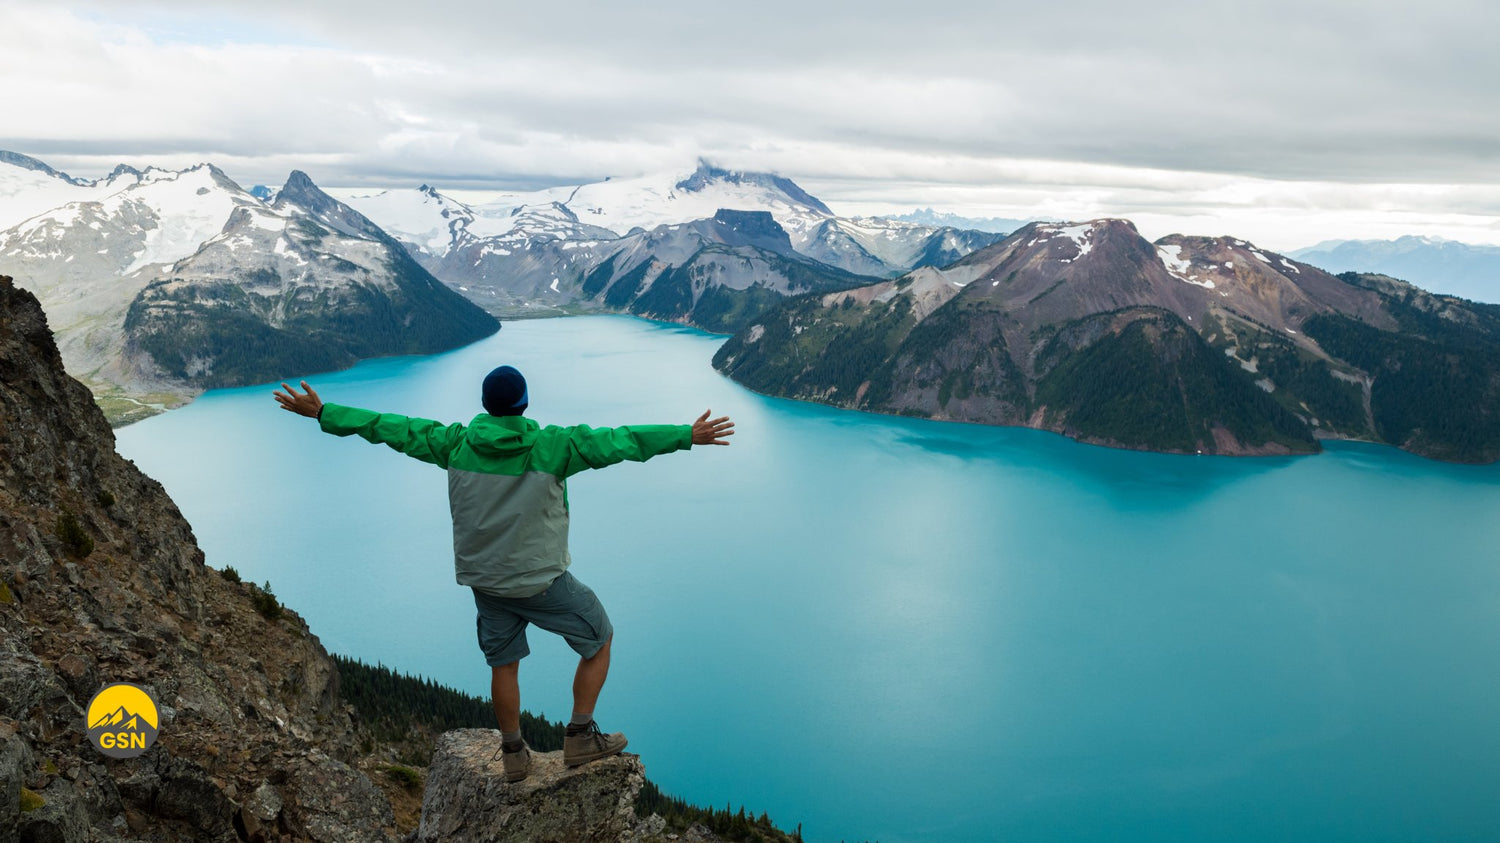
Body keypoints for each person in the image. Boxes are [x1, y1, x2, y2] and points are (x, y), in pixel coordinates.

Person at [273, 365, 733, 782]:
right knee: (601, 637)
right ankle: (579, 735)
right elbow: (622, 441)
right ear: (524, 404)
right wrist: (685, 435)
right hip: (542, 582)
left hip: (486, 583)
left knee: (503, 662)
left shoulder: (453, 442)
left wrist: (324, 412)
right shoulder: (555, 445)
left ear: (486, 406)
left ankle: (513, 751)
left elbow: (389, 427)